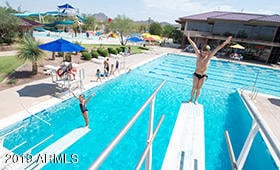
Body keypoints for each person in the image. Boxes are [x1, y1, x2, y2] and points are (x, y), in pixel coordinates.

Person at [186, 32, 232, 104]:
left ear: (208, 52)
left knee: (199, 88)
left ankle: (196, 100)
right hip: (196, 74)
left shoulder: (208, 57)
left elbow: (217, 48)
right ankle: (190, 99)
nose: (203, 54)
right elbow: (194, 46)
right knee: (194, 88)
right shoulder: (199, 56)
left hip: (203, 76)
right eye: (202, 52)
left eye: (205, 53)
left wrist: (226, 42)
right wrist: (189, 38)